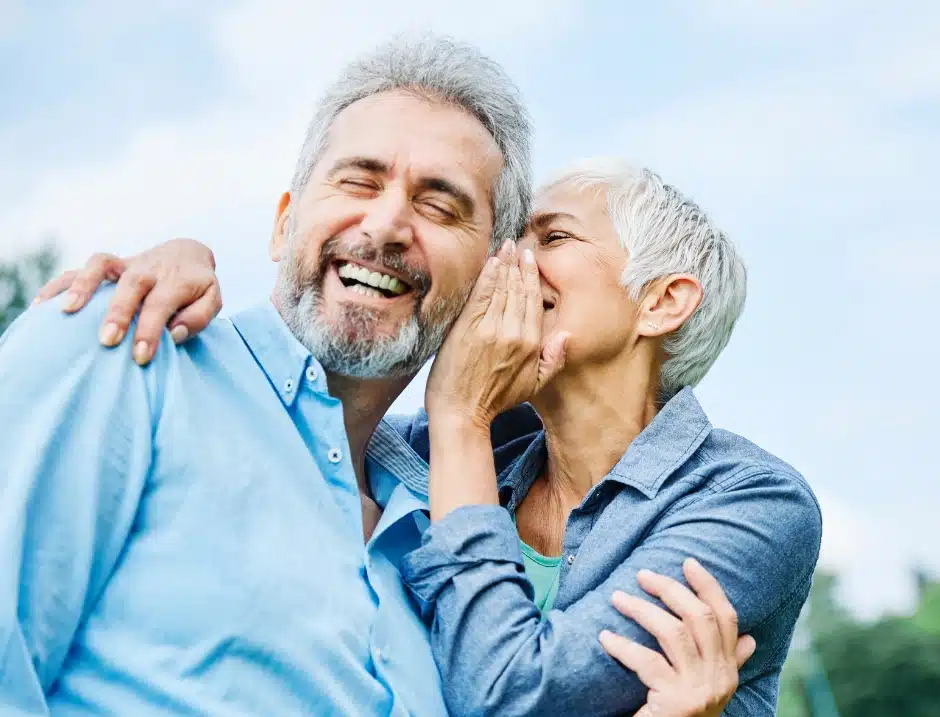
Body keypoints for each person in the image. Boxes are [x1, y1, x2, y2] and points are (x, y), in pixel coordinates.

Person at [0, 34, 749, 717]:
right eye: (359, 181)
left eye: (439, 203)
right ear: (281, 222)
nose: (388, 225)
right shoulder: (122, 350)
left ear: (494, 277)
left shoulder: (444, 530)